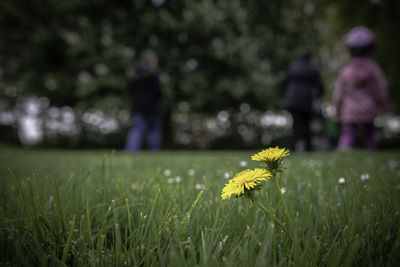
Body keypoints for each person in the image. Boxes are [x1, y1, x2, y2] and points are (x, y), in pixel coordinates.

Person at [333, 26, 390, 150]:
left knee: (347, 136)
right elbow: (381, 90)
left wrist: (337, 110)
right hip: (368, 110)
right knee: (369, 137)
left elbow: (339, 93)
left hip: (350, 111)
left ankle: (343, 154)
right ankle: (371, 152)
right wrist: (386, 107)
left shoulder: (346, 71)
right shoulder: (374, 69)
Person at [283, 50, 325, 151]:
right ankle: (308, 148)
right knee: (306, 125)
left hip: (292, 101)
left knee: (296, 125)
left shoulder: (293, 67)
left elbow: (284, 82)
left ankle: (292, 148)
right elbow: (320, 86)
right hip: (306, 101)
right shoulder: (312, 69)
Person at [125, 51, 162, 152]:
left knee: (137, 130)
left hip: (137, 106)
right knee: (154, 131)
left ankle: (131, 152)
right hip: (152, 107)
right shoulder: (153, 75)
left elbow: (130, 90)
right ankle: (154, 153)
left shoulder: (133, 75)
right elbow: (158, 92)